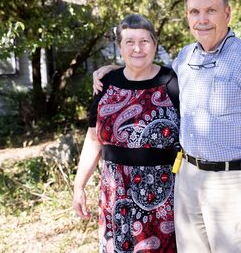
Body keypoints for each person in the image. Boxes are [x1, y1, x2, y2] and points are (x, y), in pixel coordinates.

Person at [93, 0, 241, 253]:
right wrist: (113, 70)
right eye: (195, 12)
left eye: (211, 11)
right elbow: (147, 73)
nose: (202, 19)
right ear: (187, 17)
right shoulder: (183, 59)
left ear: (227, 13)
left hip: (233, 184)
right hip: (187, 180)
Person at [73, 14, 180, 253]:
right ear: (120, 47)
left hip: (165, 196)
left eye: (144, 41)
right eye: (129, 42)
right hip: (114, 194)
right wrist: (79, 186)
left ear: (155, 44)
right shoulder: (105, 84)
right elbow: (93, 140)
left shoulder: (172, 82)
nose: (137, 48)